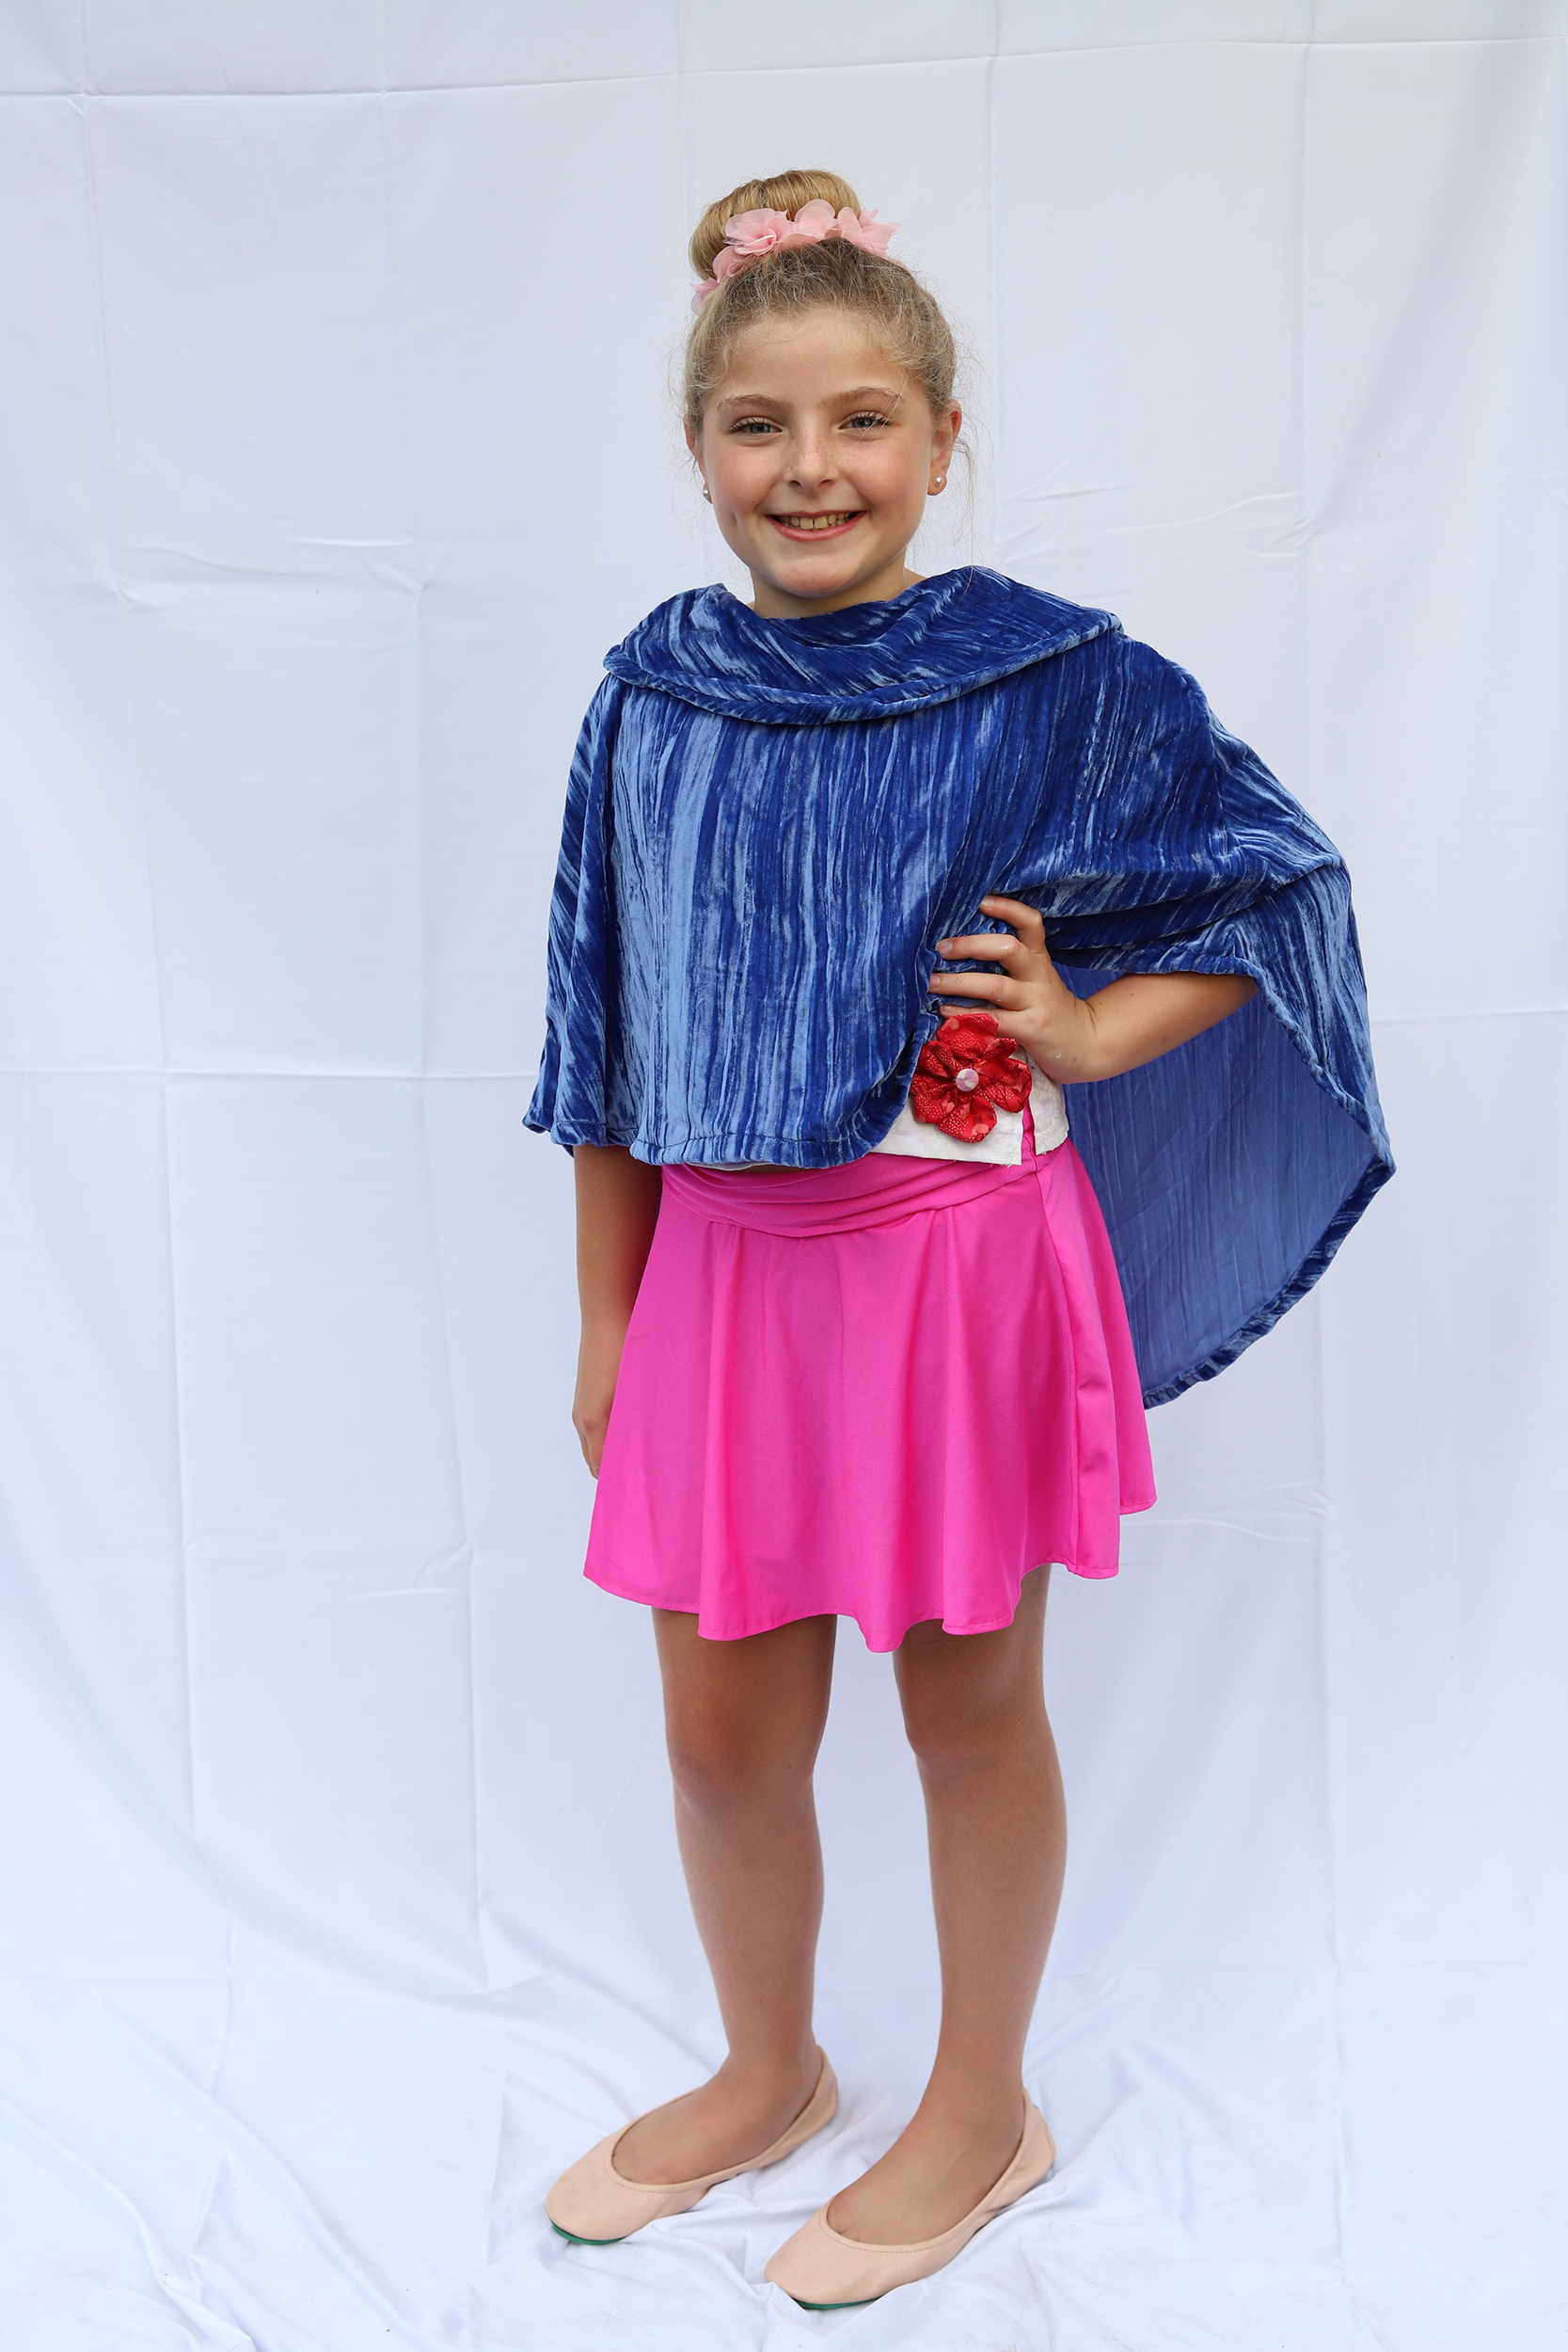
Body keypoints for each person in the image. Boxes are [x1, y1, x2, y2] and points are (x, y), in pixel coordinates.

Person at [527, 169, 1390, 2310]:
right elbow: (603, 1025)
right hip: (725, 1270)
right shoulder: (654, 693)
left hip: (952, 1264)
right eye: (757, 424)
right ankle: (769, 2062)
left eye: (859, 422)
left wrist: (1092, 1021)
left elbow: (1278, 878)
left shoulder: (1054, 682)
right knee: (722, 1727)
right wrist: (604, 1311)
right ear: (698, 448)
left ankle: (985, 2104)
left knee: (965, 1700)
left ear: (940, 436)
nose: (808, 467)